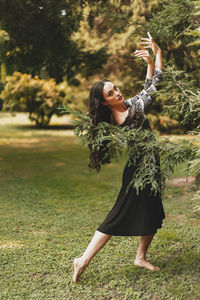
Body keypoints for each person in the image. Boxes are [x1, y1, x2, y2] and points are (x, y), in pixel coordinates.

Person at [73, 32, 165, 283]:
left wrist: (149, 62)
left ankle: (140, 257)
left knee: (152, 211)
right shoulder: (129, 114)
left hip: (149, 166)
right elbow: (155, 85)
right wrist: (157, 55)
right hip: (139, 170)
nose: (118, 92)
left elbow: (145, 89)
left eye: (116, 88)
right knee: (117, 217)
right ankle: (82, 260)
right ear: (104, 102)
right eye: (111, 93)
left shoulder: (128, 108)